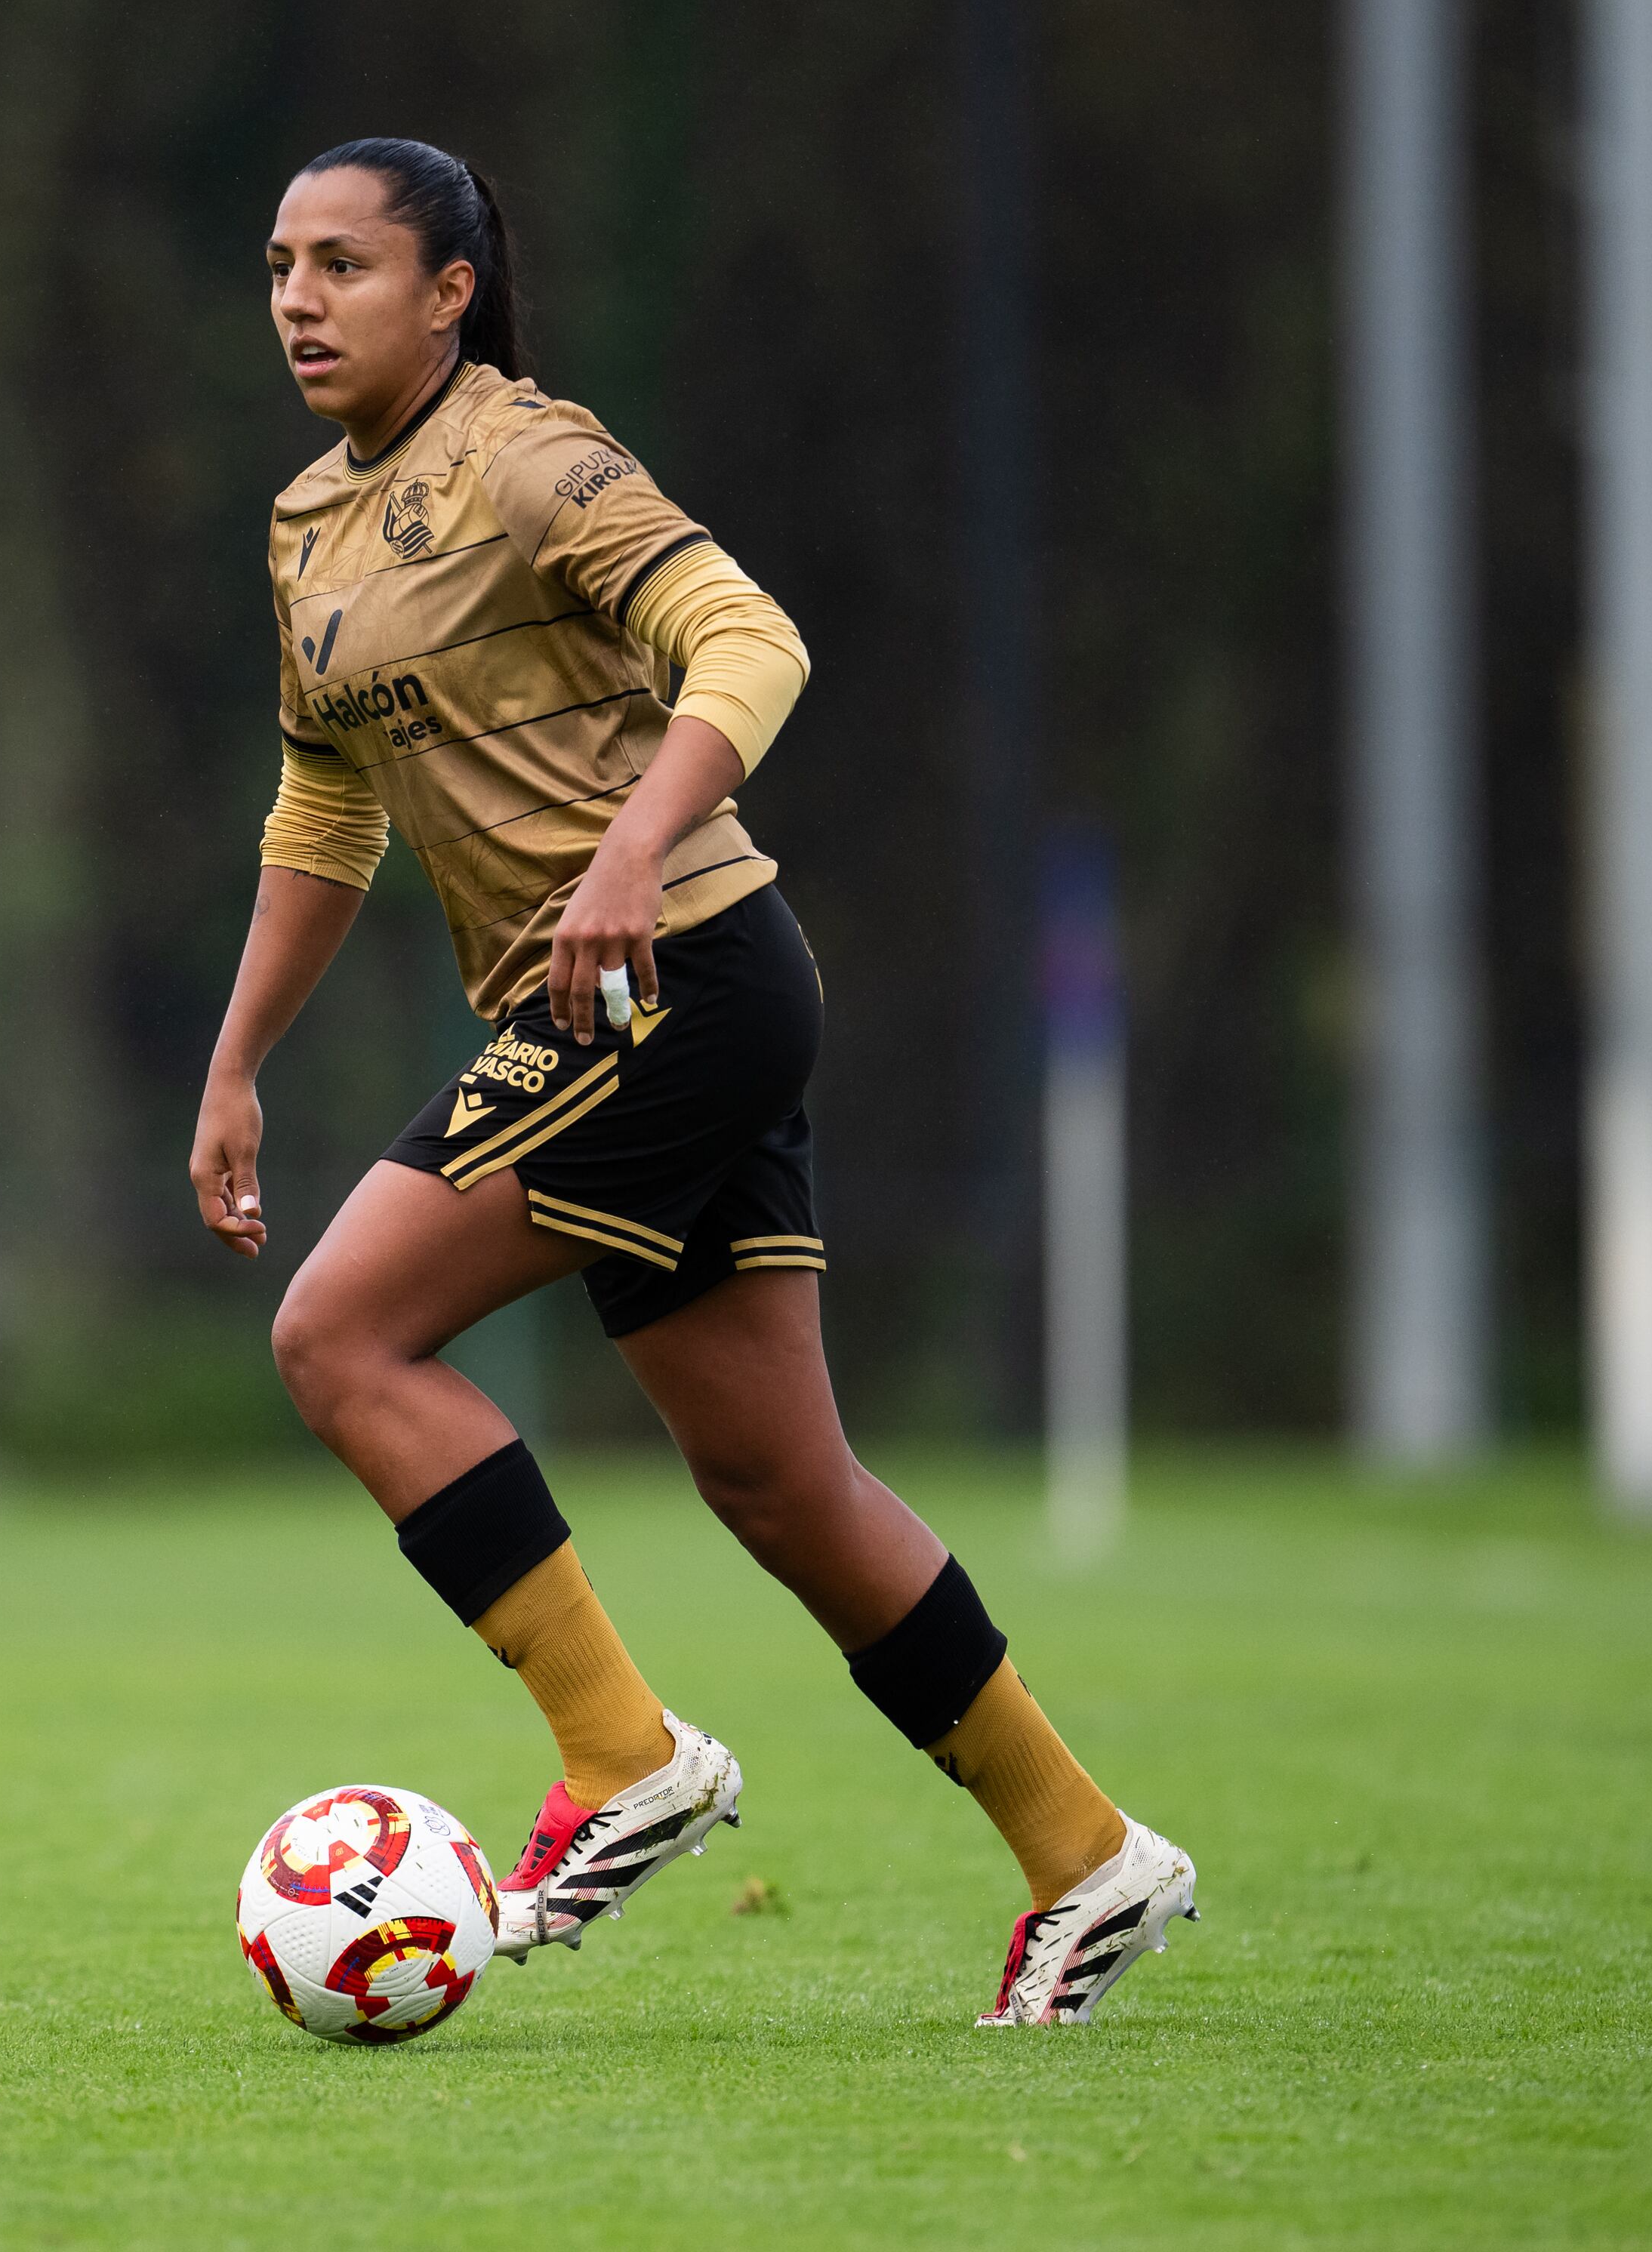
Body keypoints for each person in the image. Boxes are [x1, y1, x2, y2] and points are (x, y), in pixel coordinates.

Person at [189, 136, 1197, 2026]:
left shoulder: (534, 458)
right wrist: (239, 1061)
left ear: (452, 289)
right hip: (648, 997)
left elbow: (752, 636)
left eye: (345, 264)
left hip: (677, 976)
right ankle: (1088, 1856)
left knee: (339, 1339)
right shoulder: (308, 526)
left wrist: (639, 844)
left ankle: (622, 1757)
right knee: (780, 1482)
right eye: (279, 265)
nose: (302, 300)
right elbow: (326, 807)